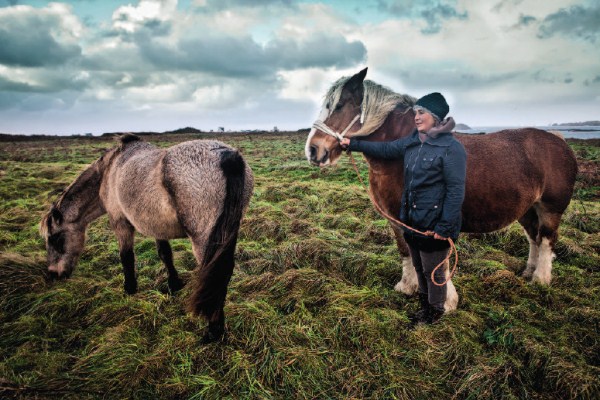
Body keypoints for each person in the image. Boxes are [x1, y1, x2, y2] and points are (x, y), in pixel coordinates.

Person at [341, 92, 467, 325]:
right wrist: (353, 144)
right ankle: (424, 308)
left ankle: (435, 313)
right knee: (419, 268)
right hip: (412, 219)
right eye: (415, 112)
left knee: (434, 271)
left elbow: (456, 191)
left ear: (436, 117)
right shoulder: (414, 140)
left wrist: (445, 226)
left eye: (422, 113)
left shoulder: (451, 148)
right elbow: (387, 150)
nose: (416, 117)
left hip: (433, 221)